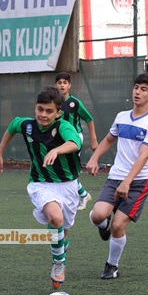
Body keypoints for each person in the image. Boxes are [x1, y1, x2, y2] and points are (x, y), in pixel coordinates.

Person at [0, 86, 82, 289]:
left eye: (49, 111)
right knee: (55, 218)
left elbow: (75, 142)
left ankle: (60, 251)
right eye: (40, 109)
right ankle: (58, 262)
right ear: (35, 107)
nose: (43, 114)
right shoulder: (28, 126)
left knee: (63, 232)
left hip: (67, 185)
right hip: (40, 183)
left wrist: (57, 150)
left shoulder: (63, 126)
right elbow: (12, 126)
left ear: (58, 113)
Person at [86, 72, 148, 280]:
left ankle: (112, 266)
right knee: (97, 216)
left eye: (144, 89)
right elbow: (109, 140)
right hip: (115, 178)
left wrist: (128, 182)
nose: (137, 92)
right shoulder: (121, 116)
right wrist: (94, 158)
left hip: (138, 182)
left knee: (118, 226)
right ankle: (103, 225)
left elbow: (144, 156)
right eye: (136, 87)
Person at [55, 72, 98, 210]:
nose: (62, 85)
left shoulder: (75, 103)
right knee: (61, 168)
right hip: (60, 139)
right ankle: (82, 194)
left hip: (75, 139)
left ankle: (81, 196)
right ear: (56, 85)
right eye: (59, 83)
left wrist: (94, 140)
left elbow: (89, 119)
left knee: (68, 167)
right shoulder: (54, 102)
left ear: (69, 85)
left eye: (65, 83)